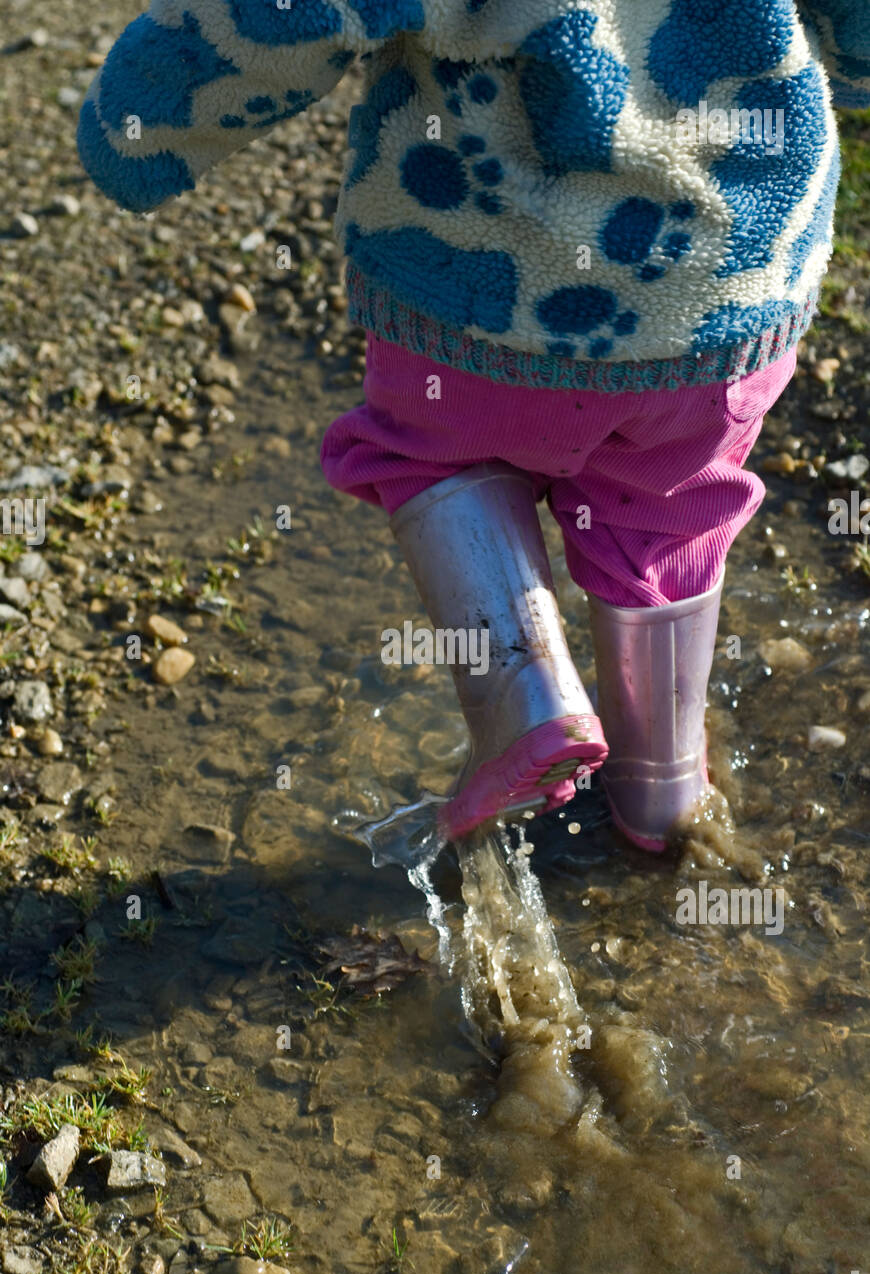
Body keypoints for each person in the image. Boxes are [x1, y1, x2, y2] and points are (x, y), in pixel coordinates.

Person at [78, 1, 870, 849]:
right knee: (668, 513)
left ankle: (524, 698)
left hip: (481, 300)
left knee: (428, 455)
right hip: (719, 297)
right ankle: (663, 788)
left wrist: (137, 128)